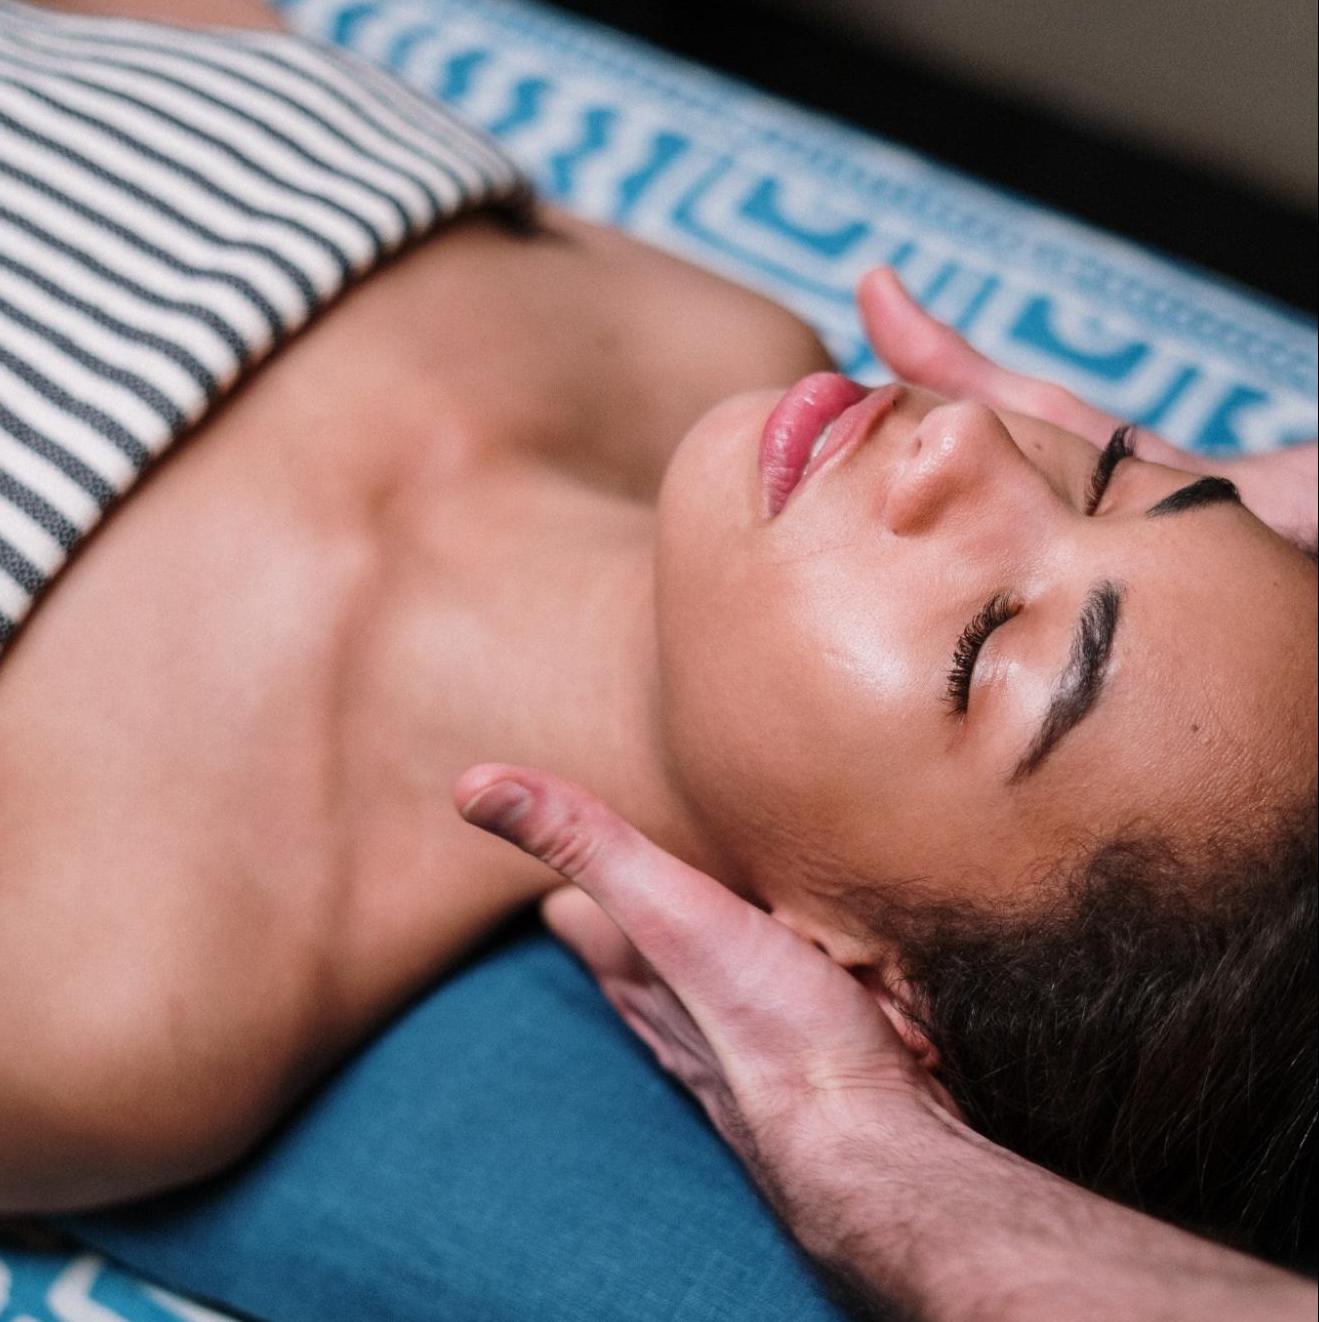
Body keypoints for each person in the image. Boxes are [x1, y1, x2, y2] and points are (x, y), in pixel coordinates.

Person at [0, 0, 1314, 1306]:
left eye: (988, 643)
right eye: (1115, 474)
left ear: (873, 990)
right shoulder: (717, 340)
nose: (966, 444)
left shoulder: (126, 997)